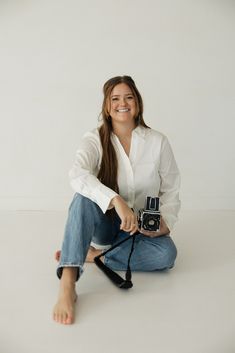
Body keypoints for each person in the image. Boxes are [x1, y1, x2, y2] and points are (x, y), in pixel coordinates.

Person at [53, 75, 181, 325]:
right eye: (115, 98)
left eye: (128, 97)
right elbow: (77, 174)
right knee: (83, 197)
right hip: (106, 224)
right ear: (107, 106)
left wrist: (166, 222)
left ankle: (95, 256)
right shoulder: (95, 139)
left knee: (167, 255)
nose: (122, 103)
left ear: (138, 103)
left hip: (139, 230)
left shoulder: (158, 142)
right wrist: (116, 201)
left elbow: (172, 188)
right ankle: (68, 280)